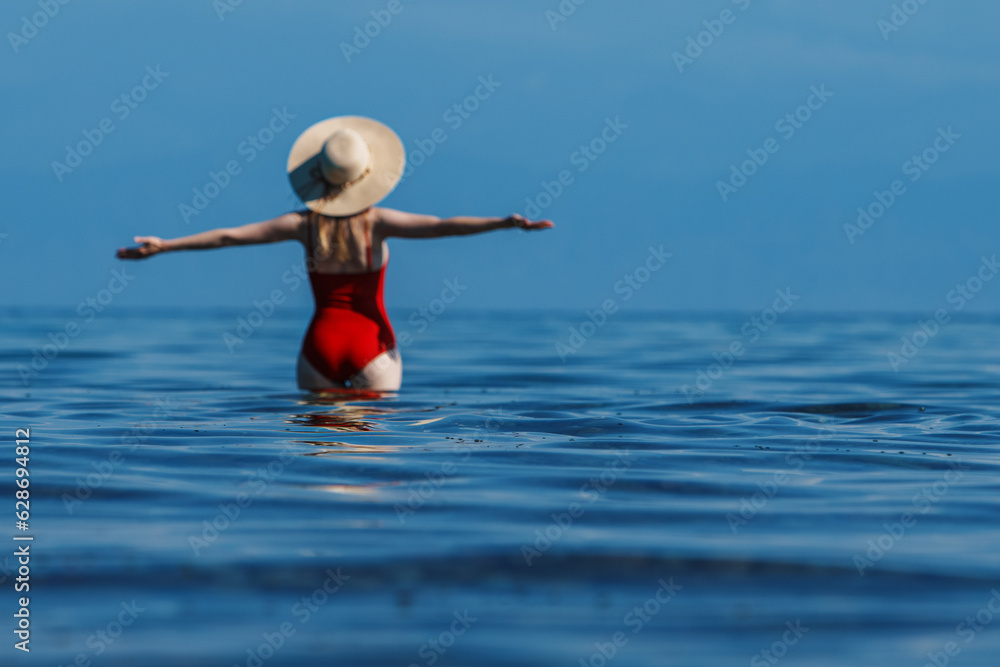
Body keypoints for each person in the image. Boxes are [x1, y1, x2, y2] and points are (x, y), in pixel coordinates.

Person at [116, 115, 554, 391]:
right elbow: (443, 227)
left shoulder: (302, 226)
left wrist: (164, 246)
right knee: (370, 469)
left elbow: (230, 237)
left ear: (316, 175)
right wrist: (503, 223)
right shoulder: (377, 222)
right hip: (372, 346)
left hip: (318, 348)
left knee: (320, 460)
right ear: (367, 175)